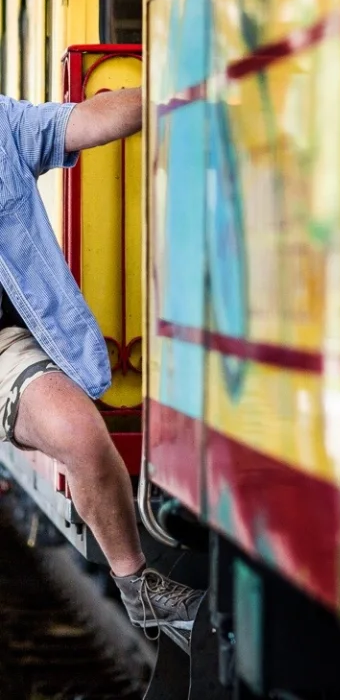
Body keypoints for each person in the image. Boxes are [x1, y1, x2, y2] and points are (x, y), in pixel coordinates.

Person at [0, 88, 202, 632]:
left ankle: (140, 588)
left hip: (8, 346)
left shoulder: (3, 125)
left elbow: (82, 121)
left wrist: (172, 81)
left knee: (82, 434)